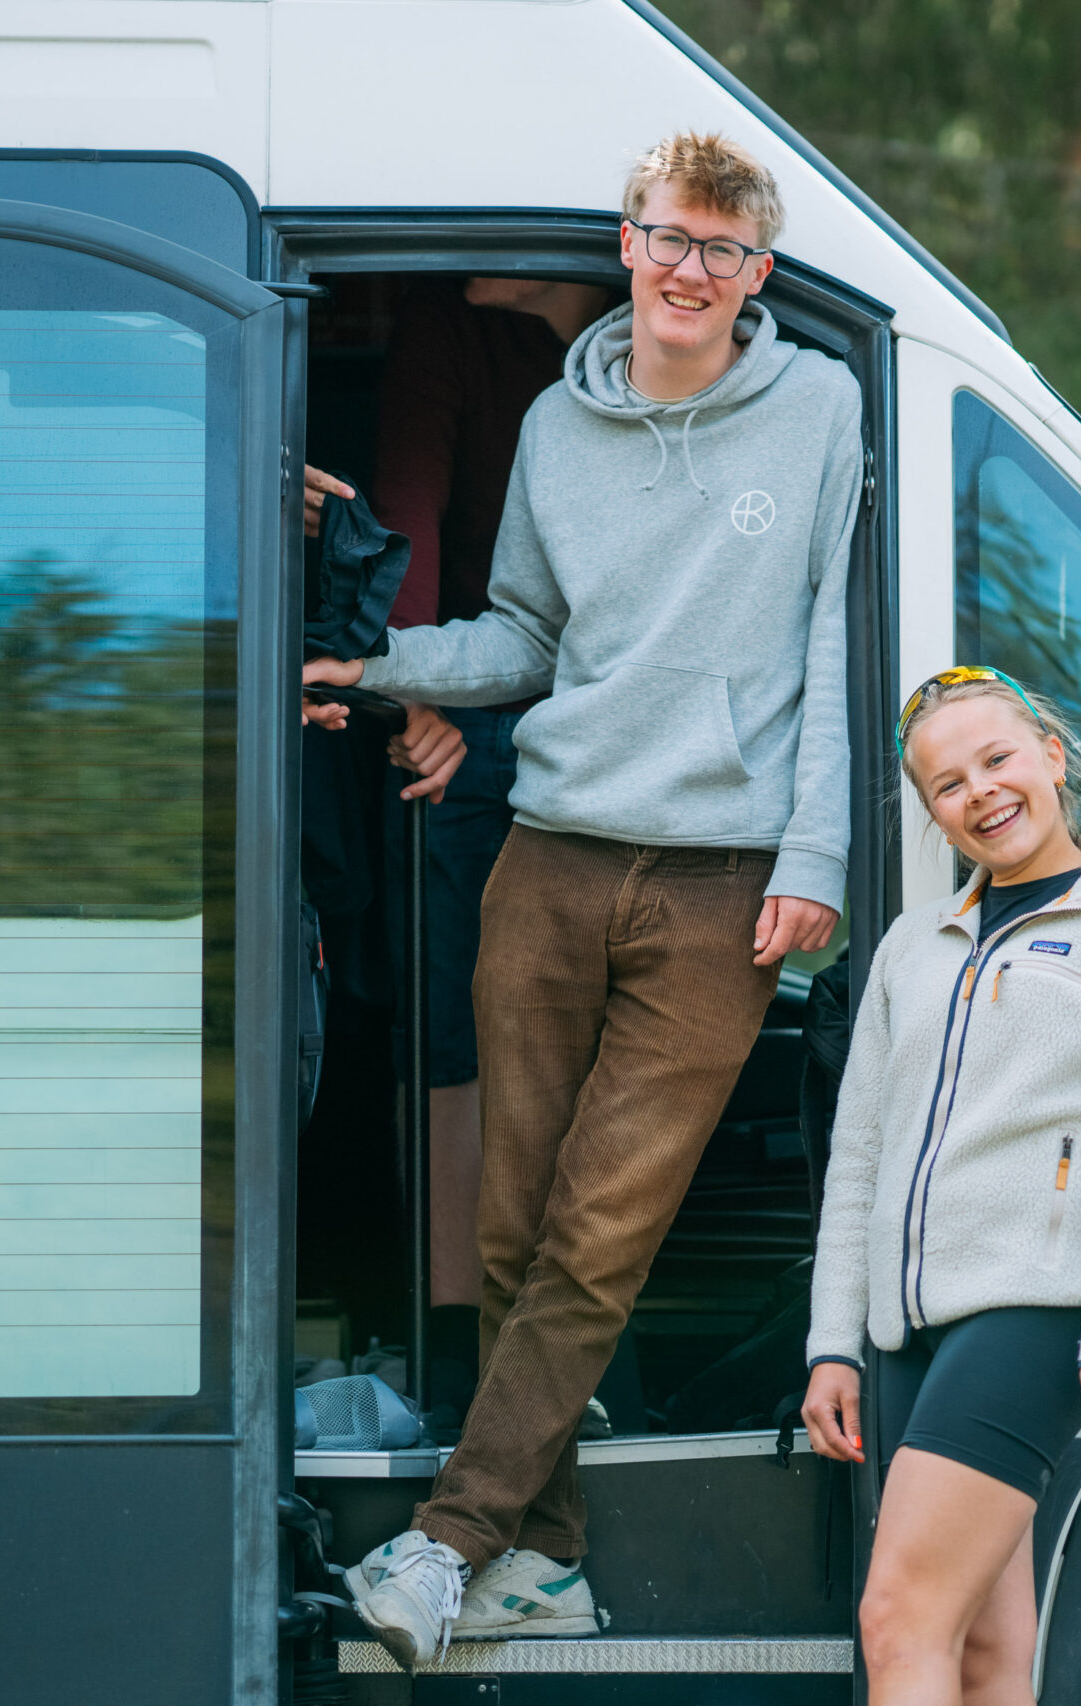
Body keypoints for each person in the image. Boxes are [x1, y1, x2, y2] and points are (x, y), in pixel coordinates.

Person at [304, 131, 863, 1666]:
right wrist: (378, 671)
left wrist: (812, 857)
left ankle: (444, 1538)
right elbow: (522, 641)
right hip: (545, 858)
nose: (693, 273)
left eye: (727, 254)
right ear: (627, 242)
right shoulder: (559, 425)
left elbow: (832, 650)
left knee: (601, 1228)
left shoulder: (821, 407)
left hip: (720, 885)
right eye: (671, 238)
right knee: (511, 1218)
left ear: (760, 276)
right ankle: (544, 1552)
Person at [801, 668, 1081, 1706]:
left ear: (1049, 752)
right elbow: (858, 1154)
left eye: (996, 758)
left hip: (1034, 1312)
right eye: (946, 783)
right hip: (908, 1331)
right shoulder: (912, 945)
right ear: (932, 809)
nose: (980, 793)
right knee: (986, 1648)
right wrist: (833, 1341)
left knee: (897, 1616)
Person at [302, 271, 614, 1419]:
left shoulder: (655, 343)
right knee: (456, 1035)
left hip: (615, 717)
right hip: (474, 694)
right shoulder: (447, 320)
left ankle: (568, 1345)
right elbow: (405, 509)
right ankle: (456, 1343)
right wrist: (413, 686)